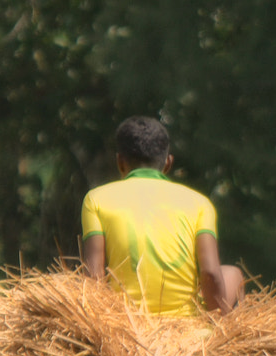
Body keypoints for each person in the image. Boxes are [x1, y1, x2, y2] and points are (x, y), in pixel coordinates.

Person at [80, 115, 244, 317]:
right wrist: (217, 323)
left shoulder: (96, 199)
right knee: (232, 273)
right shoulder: (200, 203)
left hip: (127, 326)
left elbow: (93, 279)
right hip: (188, 330)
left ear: (120, 162)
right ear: (168, 163)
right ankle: (227, 344)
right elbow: (210, 273)